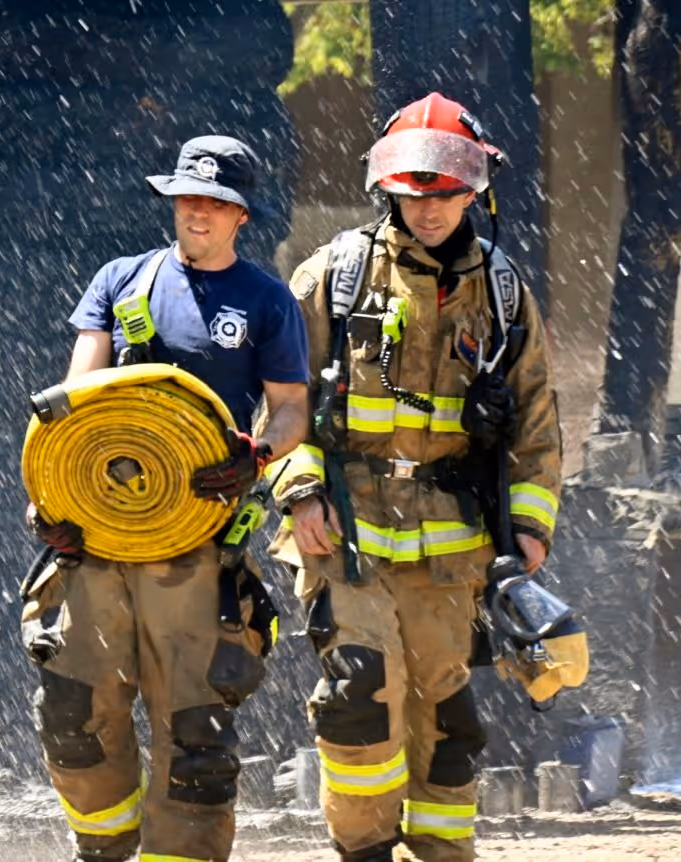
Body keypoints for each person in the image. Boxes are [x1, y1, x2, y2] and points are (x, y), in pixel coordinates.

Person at [265, 93, 562, 862]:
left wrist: (528, 528)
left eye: (447, 192)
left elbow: (535, 417)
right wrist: (298, 489)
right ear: (387, 189)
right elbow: (279, 398)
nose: (429, 208)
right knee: (360, 693)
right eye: (415, 192)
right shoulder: (335, 275)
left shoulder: (501, 292)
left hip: (452, 547)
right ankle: (363, 851)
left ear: (476, 191)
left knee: (448, 721)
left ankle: (441, 852)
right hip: (349, 530)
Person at [20, 135, 309, 862]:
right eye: (188, 198)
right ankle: (104, 849)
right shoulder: (120, 282)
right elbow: (72, 408)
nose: (198, 213)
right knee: (73, 716)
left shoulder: (266, 300)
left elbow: (292, 410)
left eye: (215, 202)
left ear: (242, 215)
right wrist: (50, 500)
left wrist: (255, 457)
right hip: (99, 543)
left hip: (195, 549)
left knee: (197, 739)